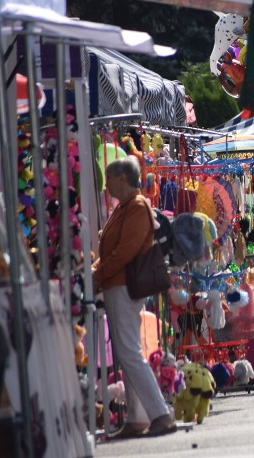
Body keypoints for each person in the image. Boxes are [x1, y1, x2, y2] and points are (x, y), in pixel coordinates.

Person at [92, 157, 176, 438]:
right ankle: (138, 417)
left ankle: (160, 414)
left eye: (109, 178)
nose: (106, 183)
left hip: (123, 286)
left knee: (128, 352)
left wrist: (97, 274)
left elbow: (125, 251)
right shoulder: (127, 207)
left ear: (121, 179)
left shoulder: (137, 206)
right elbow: (115, 251)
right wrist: (98, 271)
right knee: (128, 352)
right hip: (118, 284)